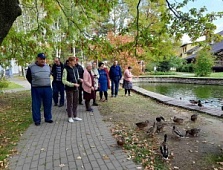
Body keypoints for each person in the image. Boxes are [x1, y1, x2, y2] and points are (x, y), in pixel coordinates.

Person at [26, 53, 53, 126]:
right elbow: (28, 77)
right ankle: (37, 120)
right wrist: (35, 83)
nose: (43, 60)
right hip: (36, 88)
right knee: (36, 105)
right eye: (41, 59)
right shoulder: (31, 67)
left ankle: (48, 118)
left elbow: (49, 75)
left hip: (47, 88)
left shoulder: (48, 67)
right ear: (37, 59)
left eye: (44, 59)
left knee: (48, 104)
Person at [62, 56, 82, 123]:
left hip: (76, 88)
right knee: (69, 103)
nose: (75, 62)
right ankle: (70, 117)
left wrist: (79, 79)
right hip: (69, 89)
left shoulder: (75, 68)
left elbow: (77, 77)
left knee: (75, 102)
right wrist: (72, 84)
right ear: (70, 61)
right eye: (74, 61)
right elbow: (64, 81)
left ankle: (75, 116)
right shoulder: (65, 69)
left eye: (75, 61)